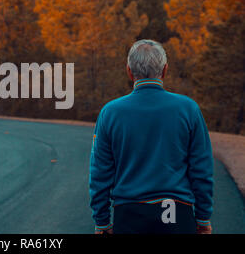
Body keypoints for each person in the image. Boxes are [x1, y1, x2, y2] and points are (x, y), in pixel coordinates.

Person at [89, 39, 214, 234]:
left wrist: (102, 221)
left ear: (129, 71)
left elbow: (100, 172)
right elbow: (202, 168)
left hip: (128, 214)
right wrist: (203, 217)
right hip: (177, 215)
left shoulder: (110, 112)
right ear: (165, 70)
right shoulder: (188, 109)